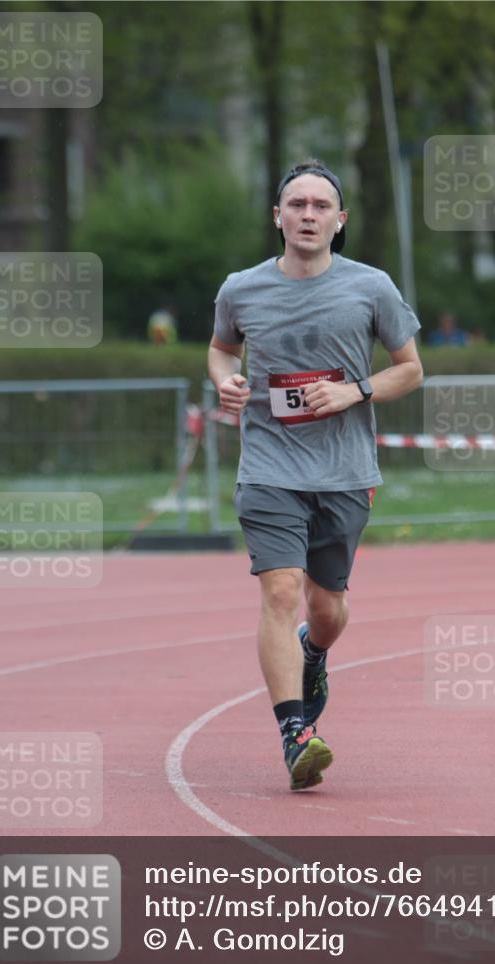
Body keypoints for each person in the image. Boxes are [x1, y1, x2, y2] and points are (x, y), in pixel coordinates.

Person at [207, 159, 423, 792]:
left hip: (344, 471)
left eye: (320, 206)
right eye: (295, 204)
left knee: (327, 609)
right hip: (269, 467)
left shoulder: (372, 287)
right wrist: (229, 382)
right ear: (277, 217)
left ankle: (315, 652)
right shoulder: (241, 289)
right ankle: (294, 731)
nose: (307, 214)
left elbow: (410, 369)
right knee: (278, 591)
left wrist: (354, 391)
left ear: (339, 220)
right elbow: (221, 349)